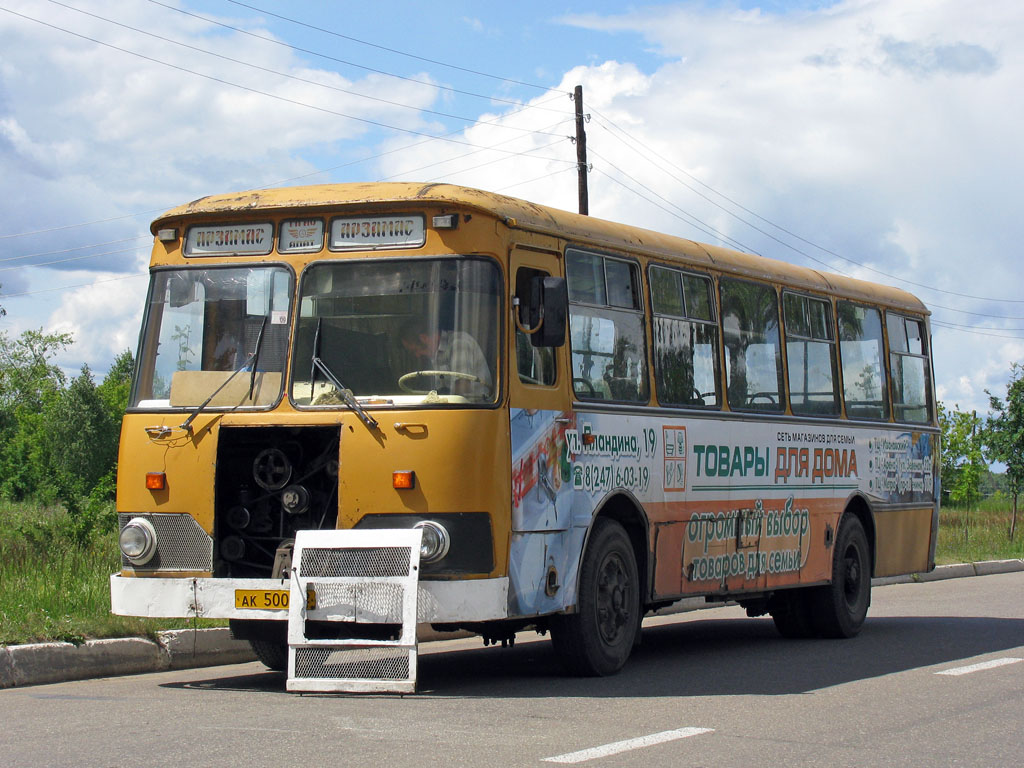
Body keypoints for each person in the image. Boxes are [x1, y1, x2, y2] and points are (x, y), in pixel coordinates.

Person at [399, 319, 493, 398]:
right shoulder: (435, 353)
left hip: (475, 410)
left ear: (424, 338)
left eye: (416, 350)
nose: (417, 355)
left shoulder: (459, 343)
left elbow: (462, 388)